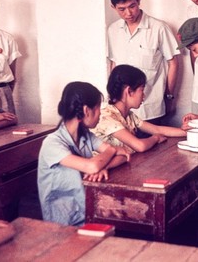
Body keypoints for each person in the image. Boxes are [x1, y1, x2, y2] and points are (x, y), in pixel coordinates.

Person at [37, 81, 130, 226]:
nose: (100, 113)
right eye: (98, 107)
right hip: (64, 222)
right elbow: (92, 167)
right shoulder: (52, 143)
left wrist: (104, 166)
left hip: (87, 210)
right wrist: (111, 150)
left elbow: (124, 155)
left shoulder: (84, 135)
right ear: (87, 111)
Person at [107, 0, 179, 125]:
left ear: (139, 0)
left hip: (151, 109)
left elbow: (173, 63)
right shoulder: (113, 30)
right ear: (113, 7)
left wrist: (170, 96)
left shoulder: (159, 28)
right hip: (122, 112)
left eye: (132, 6)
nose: (128, 13)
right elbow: (113, 64)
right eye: (121, 9)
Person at [92, 65, 186, 153]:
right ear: (129, 91)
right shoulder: (106, 116)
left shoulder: (129, 115)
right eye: (142, 90)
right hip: (105, 169)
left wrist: (190, 132)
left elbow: (157, 129)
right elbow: (140, 146)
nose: (144, 96)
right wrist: (155, 138)